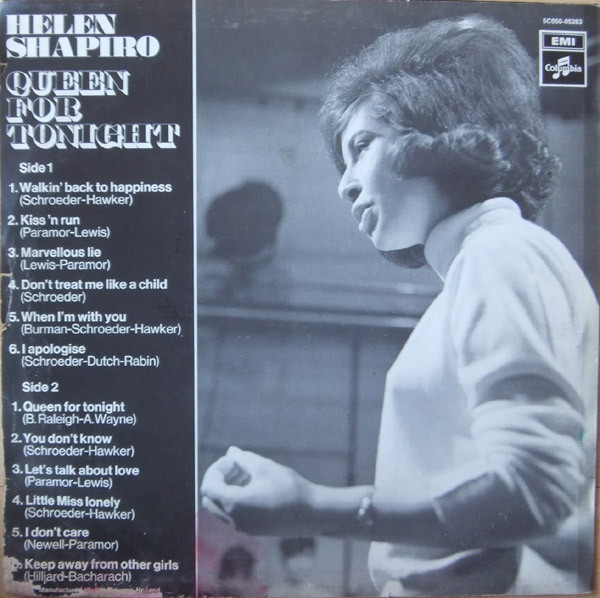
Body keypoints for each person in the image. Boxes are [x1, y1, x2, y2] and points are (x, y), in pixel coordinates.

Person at [201, 15, 598, 596]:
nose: (344, 184)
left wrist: (313, 506)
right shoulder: (480, 268)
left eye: (362, 145)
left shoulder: (500, 253)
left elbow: (537, 489)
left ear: (439, 131)